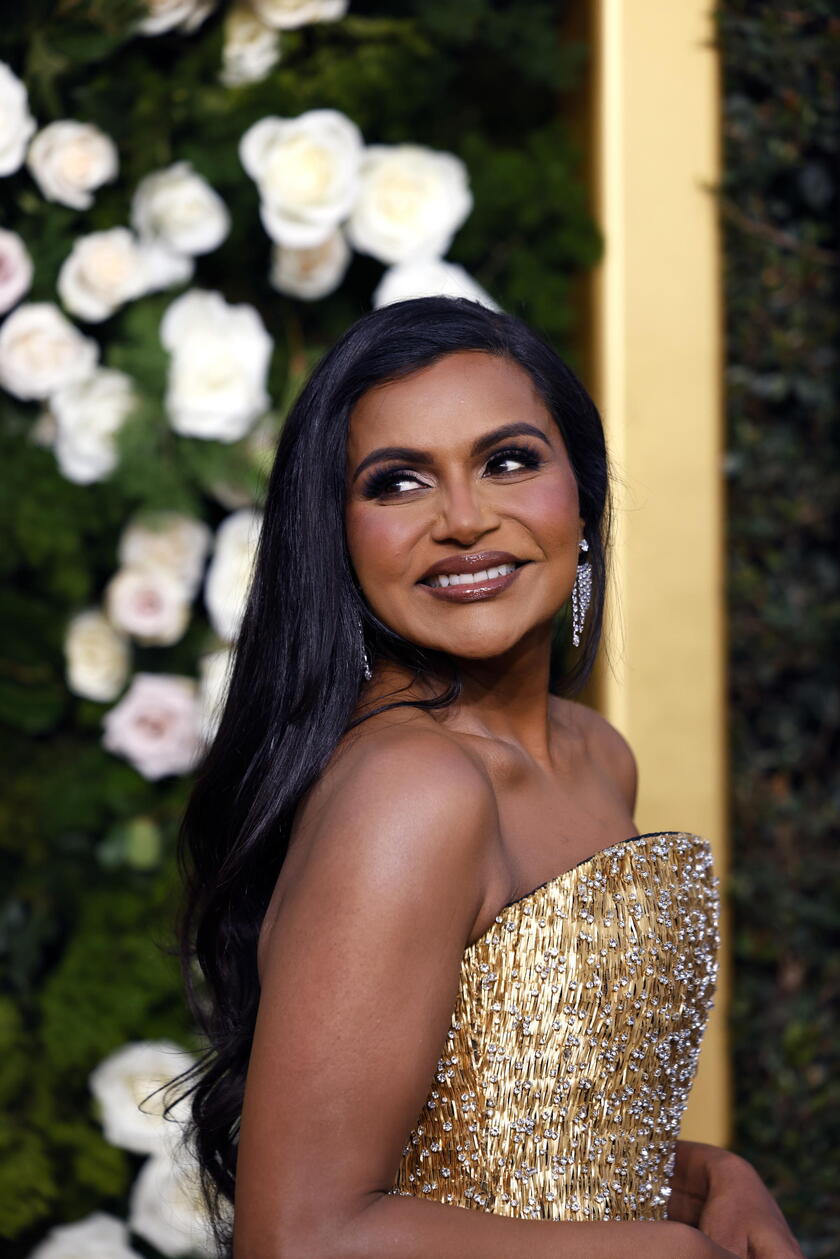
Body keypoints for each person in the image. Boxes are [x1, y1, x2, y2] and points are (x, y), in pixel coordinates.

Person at [174, 297, 803, 1259]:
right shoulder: (414, 791)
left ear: (583, 499)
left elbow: (537, 1133)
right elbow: (299, 1236)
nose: (465, 519)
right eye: (397, 483)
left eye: (509, 460)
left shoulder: (595, 754)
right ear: (336, 538)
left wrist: (712, 1176)